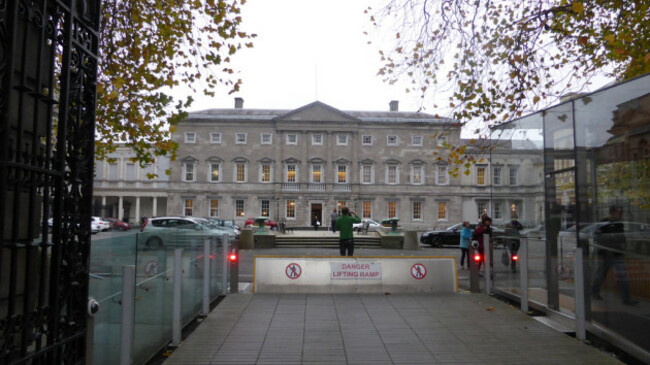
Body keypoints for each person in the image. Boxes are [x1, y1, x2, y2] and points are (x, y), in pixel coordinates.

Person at [592, 205, 637, 305]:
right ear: (612, 213)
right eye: (619, 213)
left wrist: (622, 245)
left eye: (621, 213)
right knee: (600, 275)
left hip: (617, 253)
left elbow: (621, 237)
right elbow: (597, 237)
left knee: (622, 276)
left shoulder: (619, 224)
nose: (621, 215)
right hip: (605, 254)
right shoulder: (602, 223)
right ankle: (595, 292)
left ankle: (626, 299)